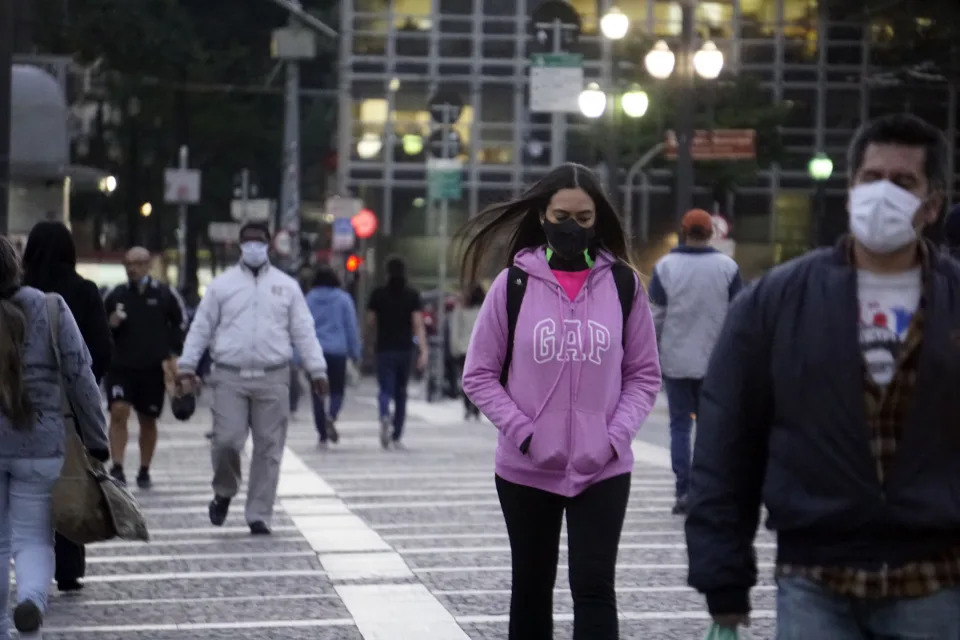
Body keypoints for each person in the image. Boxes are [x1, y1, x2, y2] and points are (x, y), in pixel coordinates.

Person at [686, 113, 960, 638]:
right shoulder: (778, 300)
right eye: (871, 178)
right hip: (815, 577)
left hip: (934, 578)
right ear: (850, 191)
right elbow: (727, 438)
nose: (884, 194)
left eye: (903, 183)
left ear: (931, 204)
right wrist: (723, 577)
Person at [460, 163, 662, 640]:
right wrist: (526, 433)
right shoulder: (513, 285)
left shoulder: (624, 286)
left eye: (585, 217)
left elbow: (644, 375)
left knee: (594, 587)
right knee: (531, 588)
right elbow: (479, 375)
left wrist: (613, 439)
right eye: (562, 215)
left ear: (599, 218)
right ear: (543, 215)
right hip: (526, 467)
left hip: (603, 468)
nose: (574, 227)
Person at [176, 223, 328, 535]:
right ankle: (224, 490)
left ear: (269, 245)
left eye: (259, 241)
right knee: (227, 441)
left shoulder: (287, 286)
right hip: (230, 376)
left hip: (274, 376)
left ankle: (259, 514)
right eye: (248, 242)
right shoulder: (222, 286)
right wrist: (187, 365)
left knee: (269, 449)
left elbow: (303, 330)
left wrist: (317, 369)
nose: (254, 247)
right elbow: (201, 327)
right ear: (239, 246)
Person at [0, 235, 109, 638]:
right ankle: (30, 600)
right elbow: (82, 377)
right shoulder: (51, 307)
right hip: (42, 443)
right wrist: (97, 440)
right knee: (33, 538)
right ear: (17, 266)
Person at [22, 222, 112, 593]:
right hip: (67, 409)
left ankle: (29, 574)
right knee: (70, 482)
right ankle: (69, 568)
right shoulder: (83, 291)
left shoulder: (18, 294)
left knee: (23, 495)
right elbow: (100, 351)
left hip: (18, 407)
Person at [648, 208, 742, 515]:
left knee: (679, 427)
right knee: (710, 429)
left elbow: (656, 317)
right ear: (711, 233)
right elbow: (737, 316)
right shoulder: (727, 267)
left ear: (683, 231)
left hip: (675, 360)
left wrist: (651, 352)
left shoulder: (665, 267)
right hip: (716, 362)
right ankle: (708, 490)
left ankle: (683, 490)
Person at [103, 247, 186, 488]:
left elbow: (180, 321)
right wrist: (112, 324)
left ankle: (144, 468)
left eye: (138, 263)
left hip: (151, 367)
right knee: (118, 412)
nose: (132, 268)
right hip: (121, 366)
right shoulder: (115, 295)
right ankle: (117, 466)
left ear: (148, 265)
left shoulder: (163, 294)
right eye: (128, 264)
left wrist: (172, 353)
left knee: (148, 419)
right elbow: (100, 325)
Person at [366, 257, 428, 449]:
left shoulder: (378, 295)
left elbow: (370, 322)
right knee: (401, 392)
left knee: (385, 389)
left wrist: (369, 343)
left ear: (387, 273)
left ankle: (384, 414)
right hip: (405, 350)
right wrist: (423, 350)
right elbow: (418, 324)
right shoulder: (412, 295)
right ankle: (397, 434)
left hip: (384, 348)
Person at [304, 264, 362, 448]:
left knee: (317, 393)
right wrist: (355, 352)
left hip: (314, 352)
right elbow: (351, 327)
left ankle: (322, 434)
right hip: (338, 351)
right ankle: (332, 416)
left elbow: (301, 327)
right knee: (337, 390)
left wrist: (298, 355)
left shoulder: (309, 299)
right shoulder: (343, 299)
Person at [449, 284, 485, 420]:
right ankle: (476, 408)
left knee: (466, 380)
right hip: (481, 350)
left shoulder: (460, 310)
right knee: (480, 380)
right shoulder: (484, 309)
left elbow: (455, 331)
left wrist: (454, 349)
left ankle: (467, 406)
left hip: (464, 349)